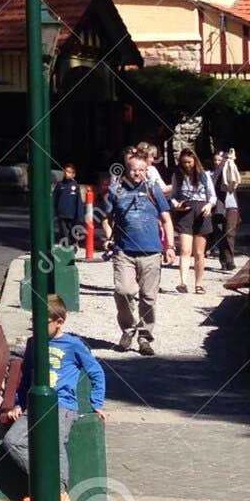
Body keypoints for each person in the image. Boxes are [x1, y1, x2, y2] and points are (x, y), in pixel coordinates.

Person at [0, 292, 106, 501]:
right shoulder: (33, 343)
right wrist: (20, 403)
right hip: (35, 405)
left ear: (59, 322)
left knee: (54, 442)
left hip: (63, 405)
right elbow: (26, 378)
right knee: (13, 441)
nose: (36, 327)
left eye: (42, 323)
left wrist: (97, 404)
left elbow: (96, 372)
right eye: (34, 322)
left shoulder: (73, 345)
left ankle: (60, 492)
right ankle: (44, 488)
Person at [100, 150, 175, 353]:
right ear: (127, 170)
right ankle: (128, 329)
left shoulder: (153, 190)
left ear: (147, 171)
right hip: (124, 251)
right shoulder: (116, 191)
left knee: (148, 297)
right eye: (134, 170)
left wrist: (170, 246)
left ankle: (144, 337)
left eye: (142, 170)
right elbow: (106, 219)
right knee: (123, 291)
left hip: (151, 251)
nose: (137, 174)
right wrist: (109, 237)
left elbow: (167, 220)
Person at [169, 147, 217, 295]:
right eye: (184, 162)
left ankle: (199, 284)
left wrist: (209, 205)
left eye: (189, 162)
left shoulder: (204, 175)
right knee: (184, 250)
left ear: (195, 161)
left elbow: (212, 196)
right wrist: (176, 205)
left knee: (199, 252)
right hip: (185, 212)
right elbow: (173, 196)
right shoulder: (177, 175)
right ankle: (183, 282)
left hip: (201, 211)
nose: (187, 165)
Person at [211, 147, 241, 272]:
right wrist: (224, 162)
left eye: (220, 160)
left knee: (229, 233)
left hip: (231, 206)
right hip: (218, 207)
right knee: (220, 233)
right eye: (216, 160)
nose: (218, 162)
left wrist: (228, 162)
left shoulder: (230, 170)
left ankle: (230, 260)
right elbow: (214, 181)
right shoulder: (212, 174)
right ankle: (224, 261)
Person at [53, 163, 86, 246]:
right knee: (64, 233)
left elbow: (79, 202)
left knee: (73, 232)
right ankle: (66, 248)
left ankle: (74, 245)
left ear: (73, 174)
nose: (66, 173)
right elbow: (55, 198)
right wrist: (55, 211)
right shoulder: (60, 185)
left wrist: (80, 216)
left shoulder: (75, 185)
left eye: (69, 172)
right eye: (65, 171)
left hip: (72, 215)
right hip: (62, 214)